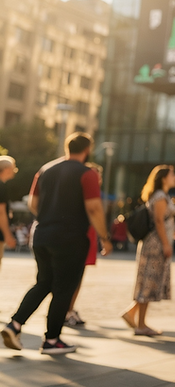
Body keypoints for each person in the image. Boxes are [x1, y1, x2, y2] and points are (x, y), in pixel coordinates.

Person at [1, 133, 111, 355]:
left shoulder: (45, 169)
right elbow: (94, 208)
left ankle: (14, 325)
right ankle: (52, 340)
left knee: (44, 282)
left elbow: (33, 203)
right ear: (87, 150)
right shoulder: (87, 174)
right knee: (64, 288)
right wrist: (105, 238)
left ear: (67, 147)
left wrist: (50, 215)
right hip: (70, 237)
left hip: (42, 234)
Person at [122, 165, 175, 336]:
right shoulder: (159, 196)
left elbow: (166, 222)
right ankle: (141, 325)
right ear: (164, 178)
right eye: (173, 174)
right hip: (155, 245)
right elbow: (158, 221)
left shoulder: (162, 195)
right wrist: (166, 244)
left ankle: (132, 314)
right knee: (149, 283)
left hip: (157, 242)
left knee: (149, 282)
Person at [66, 163, 104, 328]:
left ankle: (69, 309)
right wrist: (106, 238)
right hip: (82, 235)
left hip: (88, 235)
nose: (98, 179)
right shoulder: (83, 193)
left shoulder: (90, 192)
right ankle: (66, 311)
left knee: (78, 275)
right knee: (74, 276)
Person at [0, 156, 17, 274]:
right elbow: (1, 212)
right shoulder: (1, 186)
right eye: (13, 168)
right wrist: (7, 235)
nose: (15, 171)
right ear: (6, 169)